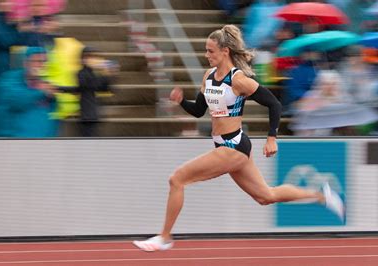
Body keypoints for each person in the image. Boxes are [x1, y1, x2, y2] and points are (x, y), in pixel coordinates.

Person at [133, 25, 345, 252]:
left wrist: (271, 137)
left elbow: (274, 103)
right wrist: (181, 101)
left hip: (233, 146)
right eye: (206, 51)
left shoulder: (239, 79)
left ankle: (164, 237)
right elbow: (198, 111)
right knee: (266, 196)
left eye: (211, 51)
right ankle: (321, 195)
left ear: (225, 51)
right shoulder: (208, 76)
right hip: (227, 146)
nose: (207, 55)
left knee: (177, 179)